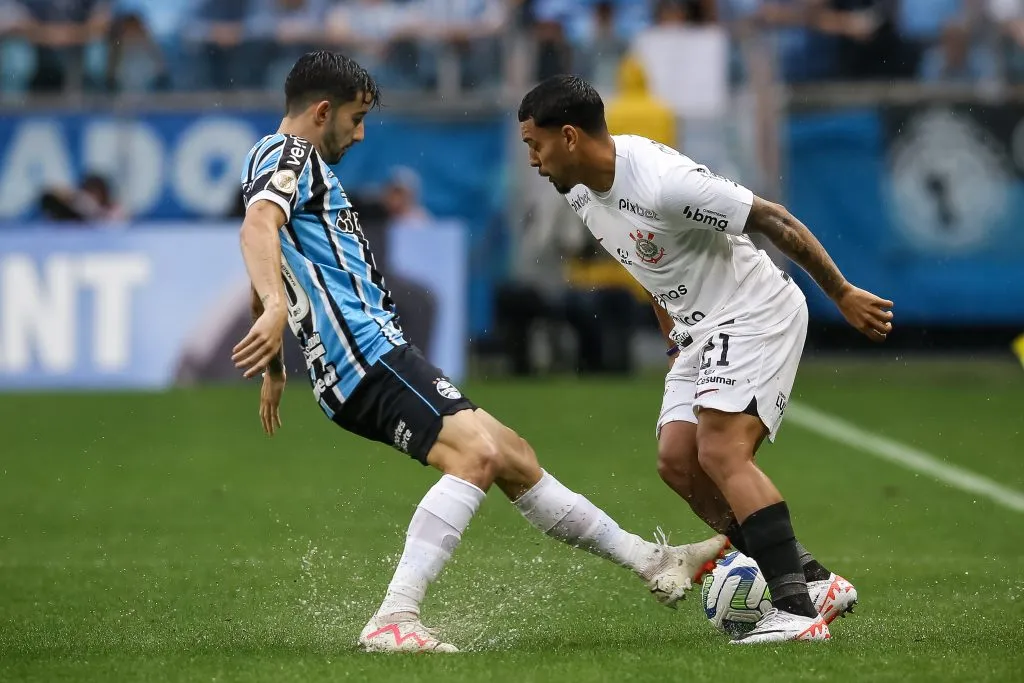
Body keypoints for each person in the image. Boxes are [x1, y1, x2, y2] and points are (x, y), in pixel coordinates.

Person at [232, 51, 727, 654]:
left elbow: (273, 249)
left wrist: (277, 362)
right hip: (363, 357)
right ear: (322, 111)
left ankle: (652, 560)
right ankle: (395, 617)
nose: (360, 135)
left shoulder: (287, 164)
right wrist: (276, 311)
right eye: (356, 119)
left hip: (371, 355)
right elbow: (258, 228)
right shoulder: (289, 155)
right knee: (478, 457)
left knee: (514, 455)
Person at [517, 75, 894, 644]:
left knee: (721, 450)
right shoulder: (579, 191)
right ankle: (814, 581)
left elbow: (776, 219)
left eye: (535, 145)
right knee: (678, 462)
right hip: (700, 330)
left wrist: (840, 292)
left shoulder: (668, 184)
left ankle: (795, 613)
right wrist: (673, 335)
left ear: (568, 136)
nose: (531, 160)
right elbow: (650, 264)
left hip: (755, 310)